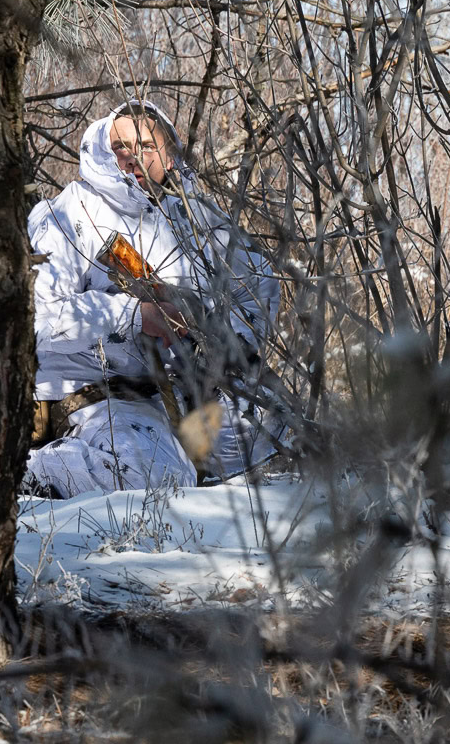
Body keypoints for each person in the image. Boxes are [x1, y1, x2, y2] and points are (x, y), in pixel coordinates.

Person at [24, 99, 280, 499]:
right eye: (121, 146)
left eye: (146, 145)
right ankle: (20, 472)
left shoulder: (194, 218)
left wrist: (226, 342)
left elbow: (260, 281)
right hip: (96, 394)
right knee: (156, 477)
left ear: (170, 154)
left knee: (274, 431)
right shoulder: (69, 214)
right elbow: (37, 317)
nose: (132, 157)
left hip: (179, 394)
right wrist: (133, 315)